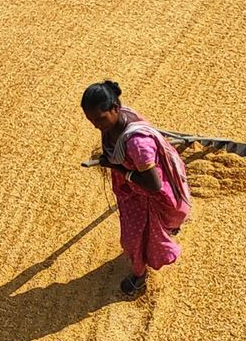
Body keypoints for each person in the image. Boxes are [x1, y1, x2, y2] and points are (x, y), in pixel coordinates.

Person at [81, 81, 192, 297]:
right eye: (91, 120)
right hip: (133, 192)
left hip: (147, 196)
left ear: (115, 108)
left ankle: (140, 276)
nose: (96, 125)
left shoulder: (137, 144)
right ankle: (164, 233)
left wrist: (117, 168)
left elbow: (153, 184)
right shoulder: (117, 122)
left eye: (100, 119)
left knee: (134, 240)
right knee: (144, 234)